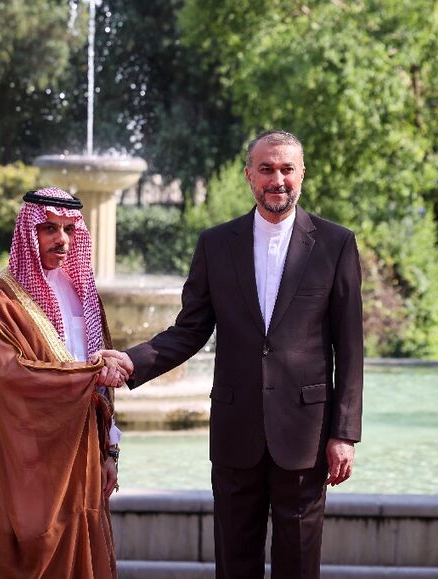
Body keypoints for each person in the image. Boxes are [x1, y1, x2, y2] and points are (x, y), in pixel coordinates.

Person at [103, 130, 363, 579]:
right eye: (266, 169)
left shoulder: (335, 244)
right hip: (234, 430)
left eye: (286, 169)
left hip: (306, 434)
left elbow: (351, 347)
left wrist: (344, 433)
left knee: (299, 567)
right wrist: (132, 361)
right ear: (249, 176)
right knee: (234, 565)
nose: (277, 180)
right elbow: (190, 330)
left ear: (302, 174)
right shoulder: (216, 244)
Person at [0, 187, 126, 578]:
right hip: (26, 463)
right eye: (49, 228)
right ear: (28, 232)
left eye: (69, 229)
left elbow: (102, 389)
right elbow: (10, 377)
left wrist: (111, 452)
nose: (62, 239)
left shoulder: (84, 295)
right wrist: (89, 373)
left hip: (85, 455)